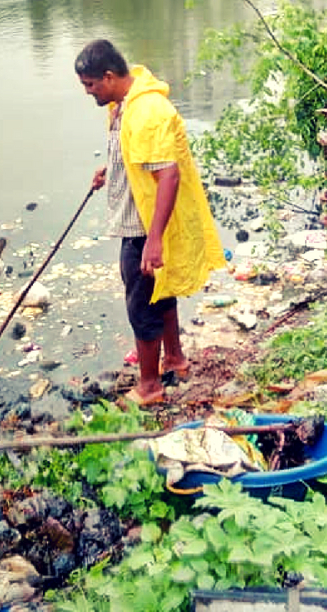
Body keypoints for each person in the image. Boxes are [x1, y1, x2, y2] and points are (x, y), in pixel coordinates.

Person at [75, 39, 227, 406]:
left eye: (90, 85)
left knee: (141, 305)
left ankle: (150, 386)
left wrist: (154, 240)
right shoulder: (123, 104)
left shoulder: (146, 112)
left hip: (143, 227)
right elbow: (137, 157)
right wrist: (111, 170)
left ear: (109, 77)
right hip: (143, 218)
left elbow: (168, 175)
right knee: (162, 292)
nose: (88, 92)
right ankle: (174, 359)